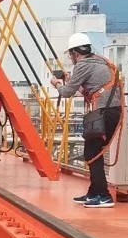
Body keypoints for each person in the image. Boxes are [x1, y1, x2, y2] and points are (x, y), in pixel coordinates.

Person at [50, 33, 122, 208]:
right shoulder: (100, 61)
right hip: (110, 111)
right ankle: (94, 192)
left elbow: (66, 92)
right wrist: (71, 80)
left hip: (104, 112)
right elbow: (91, 91)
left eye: (70, 54)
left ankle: (103, 195)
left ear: (75, 53)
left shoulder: (82, 65)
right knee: (93, 151)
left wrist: (57, 84)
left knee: (92, 152)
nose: (71, 58)